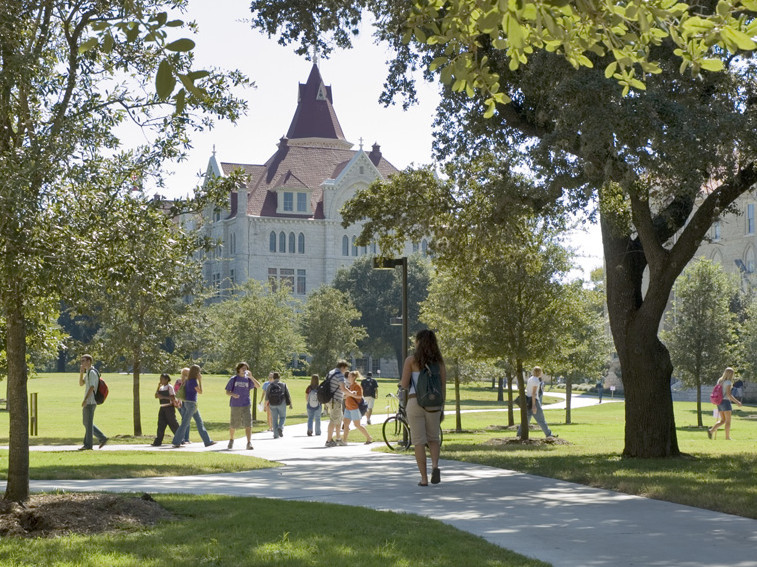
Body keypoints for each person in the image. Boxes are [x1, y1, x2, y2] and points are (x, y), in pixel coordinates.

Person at [399, 329, 446, 486]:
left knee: (418, 441)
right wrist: (442, 407)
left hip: (415, 402)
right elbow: (443, 387)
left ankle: (424, 479)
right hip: (434, 404)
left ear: (418, 342)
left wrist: (401, 384)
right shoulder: (439, 363)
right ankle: (435, 466)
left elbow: (405, 384)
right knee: (433, 438)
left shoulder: (411, 360)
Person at [171, 365, 216, 448]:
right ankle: (176, 441)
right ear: (196, 372)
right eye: (199, 371)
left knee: (199, 422)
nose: (200, 373)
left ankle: (207, 441)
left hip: (189, 404)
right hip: (191, 404)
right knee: (185, 423)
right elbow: (200, 392)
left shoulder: (187, 380)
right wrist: (200, 380)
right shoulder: (193, 381)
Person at [225, 362, 261, 450]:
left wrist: (251, 377)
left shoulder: (248, 380)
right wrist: (233, 395)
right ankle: (231, 439)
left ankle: (249, 443)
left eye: (246, 368)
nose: (244, 370)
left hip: (246, 404)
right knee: (234, 424)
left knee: (248, 424)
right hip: (235, 405)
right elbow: (227, 392)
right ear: (238, 369)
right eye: (242, 368)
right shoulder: (234, 379)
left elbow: (258, 386)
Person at [516, 366, 556, 439]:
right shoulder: (536, 381)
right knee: (541, 419)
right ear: (539, 372)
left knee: (526, 419)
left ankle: (519, 433)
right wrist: (534, 405)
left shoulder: (530, 379)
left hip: (527, 400)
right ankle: (549, 434)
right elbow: (534, 393)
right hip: (534, 401)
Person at [78, 354, 108, 450]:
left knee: (88, 423)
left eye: (83, 361)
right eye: (81, 361)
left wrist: (85, 400)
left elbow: (92, 387)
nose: (82, 363)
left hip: (90, 401)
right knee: (86, 423)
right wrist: (81, 373)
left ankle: (88, 445)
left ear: (89, 361)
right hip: (89, 401)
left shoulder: (92, 373)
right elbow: (81, 384)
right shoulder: (88, 373)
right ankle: (102, 438)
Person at [708, 367, 742, 440]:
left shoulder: (720, 381)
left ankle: (711, 431)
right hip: (725, 402)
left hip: (719, 402)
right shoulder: (728, 382)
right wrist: (737, 402)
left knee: (723, 420)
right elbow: (729, 395)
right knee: (728, 421)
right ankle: (727, 437)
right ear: (731, 374)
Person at [325, 360, 351, 447]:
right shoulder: (339, 374)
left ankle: (338, 438)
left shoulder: (331, 372)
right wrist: (351, 394)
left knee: (339, 419)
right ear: (342, 367)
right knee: (333, 420)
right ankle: (328, 440)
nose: (345, 371)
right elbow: (343, 388)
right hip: (335, 400)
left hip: (330, 399)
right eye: (345, 369)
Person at [343, 371, 373, 444]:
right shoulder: (350, 386)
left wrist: (351, 394)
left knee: (357, 425)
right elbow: (347, 395)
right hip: (348, 407)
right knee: (346, 424)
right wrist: (347, 395)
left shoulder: (357, 386)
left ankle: (369, 438)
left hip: (354, 408)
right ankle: (344, 441)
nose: (348, 378)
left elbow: (359, 396)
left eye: (349, 376)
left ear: (353, 377)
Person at [152, 373, 180, 446]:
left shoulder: (169, 387)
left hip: (169, 407)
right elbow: (156, 395)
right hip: (162, 407)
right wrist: (158, 387)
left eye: (162, 379)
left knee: (173, 424)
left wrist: (163, 397)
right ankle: (158, 441)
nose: (161, 380)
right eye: (160, 379)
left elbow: (173, 398)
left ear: (167, 379)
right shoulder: (161, 387)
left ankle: (180, 439)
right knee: (161, 425)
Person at [265, 372, 292, 438]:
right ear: (279, 378)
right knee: (282, 417)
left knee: (274, 419)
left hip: (272, 404)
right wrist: (290, 404)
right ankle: (280, 427)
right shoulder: (283, 385)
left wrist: (265, 406)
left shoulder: (269, 386)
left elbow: (266, 397)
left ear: (273, 378)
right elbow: (288, 395)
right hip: (281, 403)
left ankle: (276, 435)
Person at [174, 367, 191, 444]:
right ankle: (184, 439)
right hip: (181, 403)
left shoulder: (190, 381)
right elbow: (177, 392)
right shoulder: (179, 381)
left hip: (187, 402)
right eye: (185, 373)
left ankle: (185, 438)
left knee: (185, 420)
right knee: (185, 420)